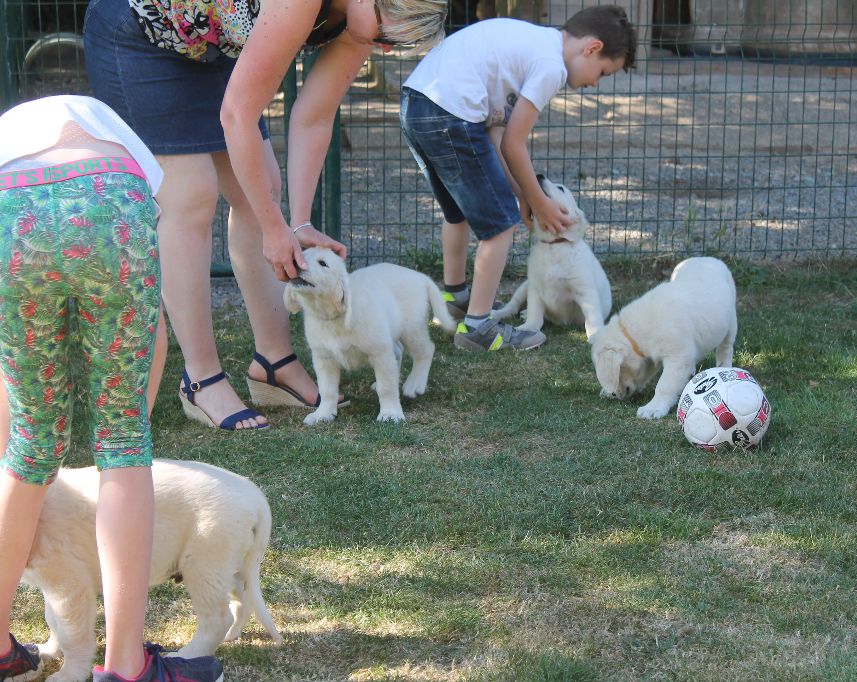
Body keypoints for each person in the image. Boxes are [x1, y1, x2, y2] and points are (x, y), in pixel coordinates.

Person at [83, 0, 448, 430]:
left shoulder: (362, 24)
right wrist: (276, 229)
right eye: (388, 37)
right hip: (140, 31)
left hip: (208, 42)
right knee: (191, 194)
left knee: (263, 189)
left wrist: (297, 223)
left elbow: (313, 118)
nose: (385, 49)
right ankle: (200, 379)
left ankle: (274, 364)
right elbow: (238, 114)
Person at [0, 95, 223, 682]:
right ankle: (126, 667)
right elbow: (153, 347)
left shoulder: (11, 135)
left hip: (8, 207)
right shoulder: (127, 151)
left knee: (28, 449)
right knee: (124, 443)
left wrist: (27, 438)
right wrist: (124, 446)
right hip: (109, 201)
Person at [399, 5, 637, 352]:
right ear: (593, 47)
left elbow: (496, 138)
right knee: (500, 226)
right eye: (602, 72)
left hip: (419, 105)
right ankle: (478, 326)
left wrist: (524, 194)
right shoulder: (551, 65)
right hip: (452, 113)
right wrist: (539, 203)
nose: (595, 83)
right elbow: (514, 143)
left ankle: (455, 298)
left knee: (459, 213)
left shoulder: (530, 44)